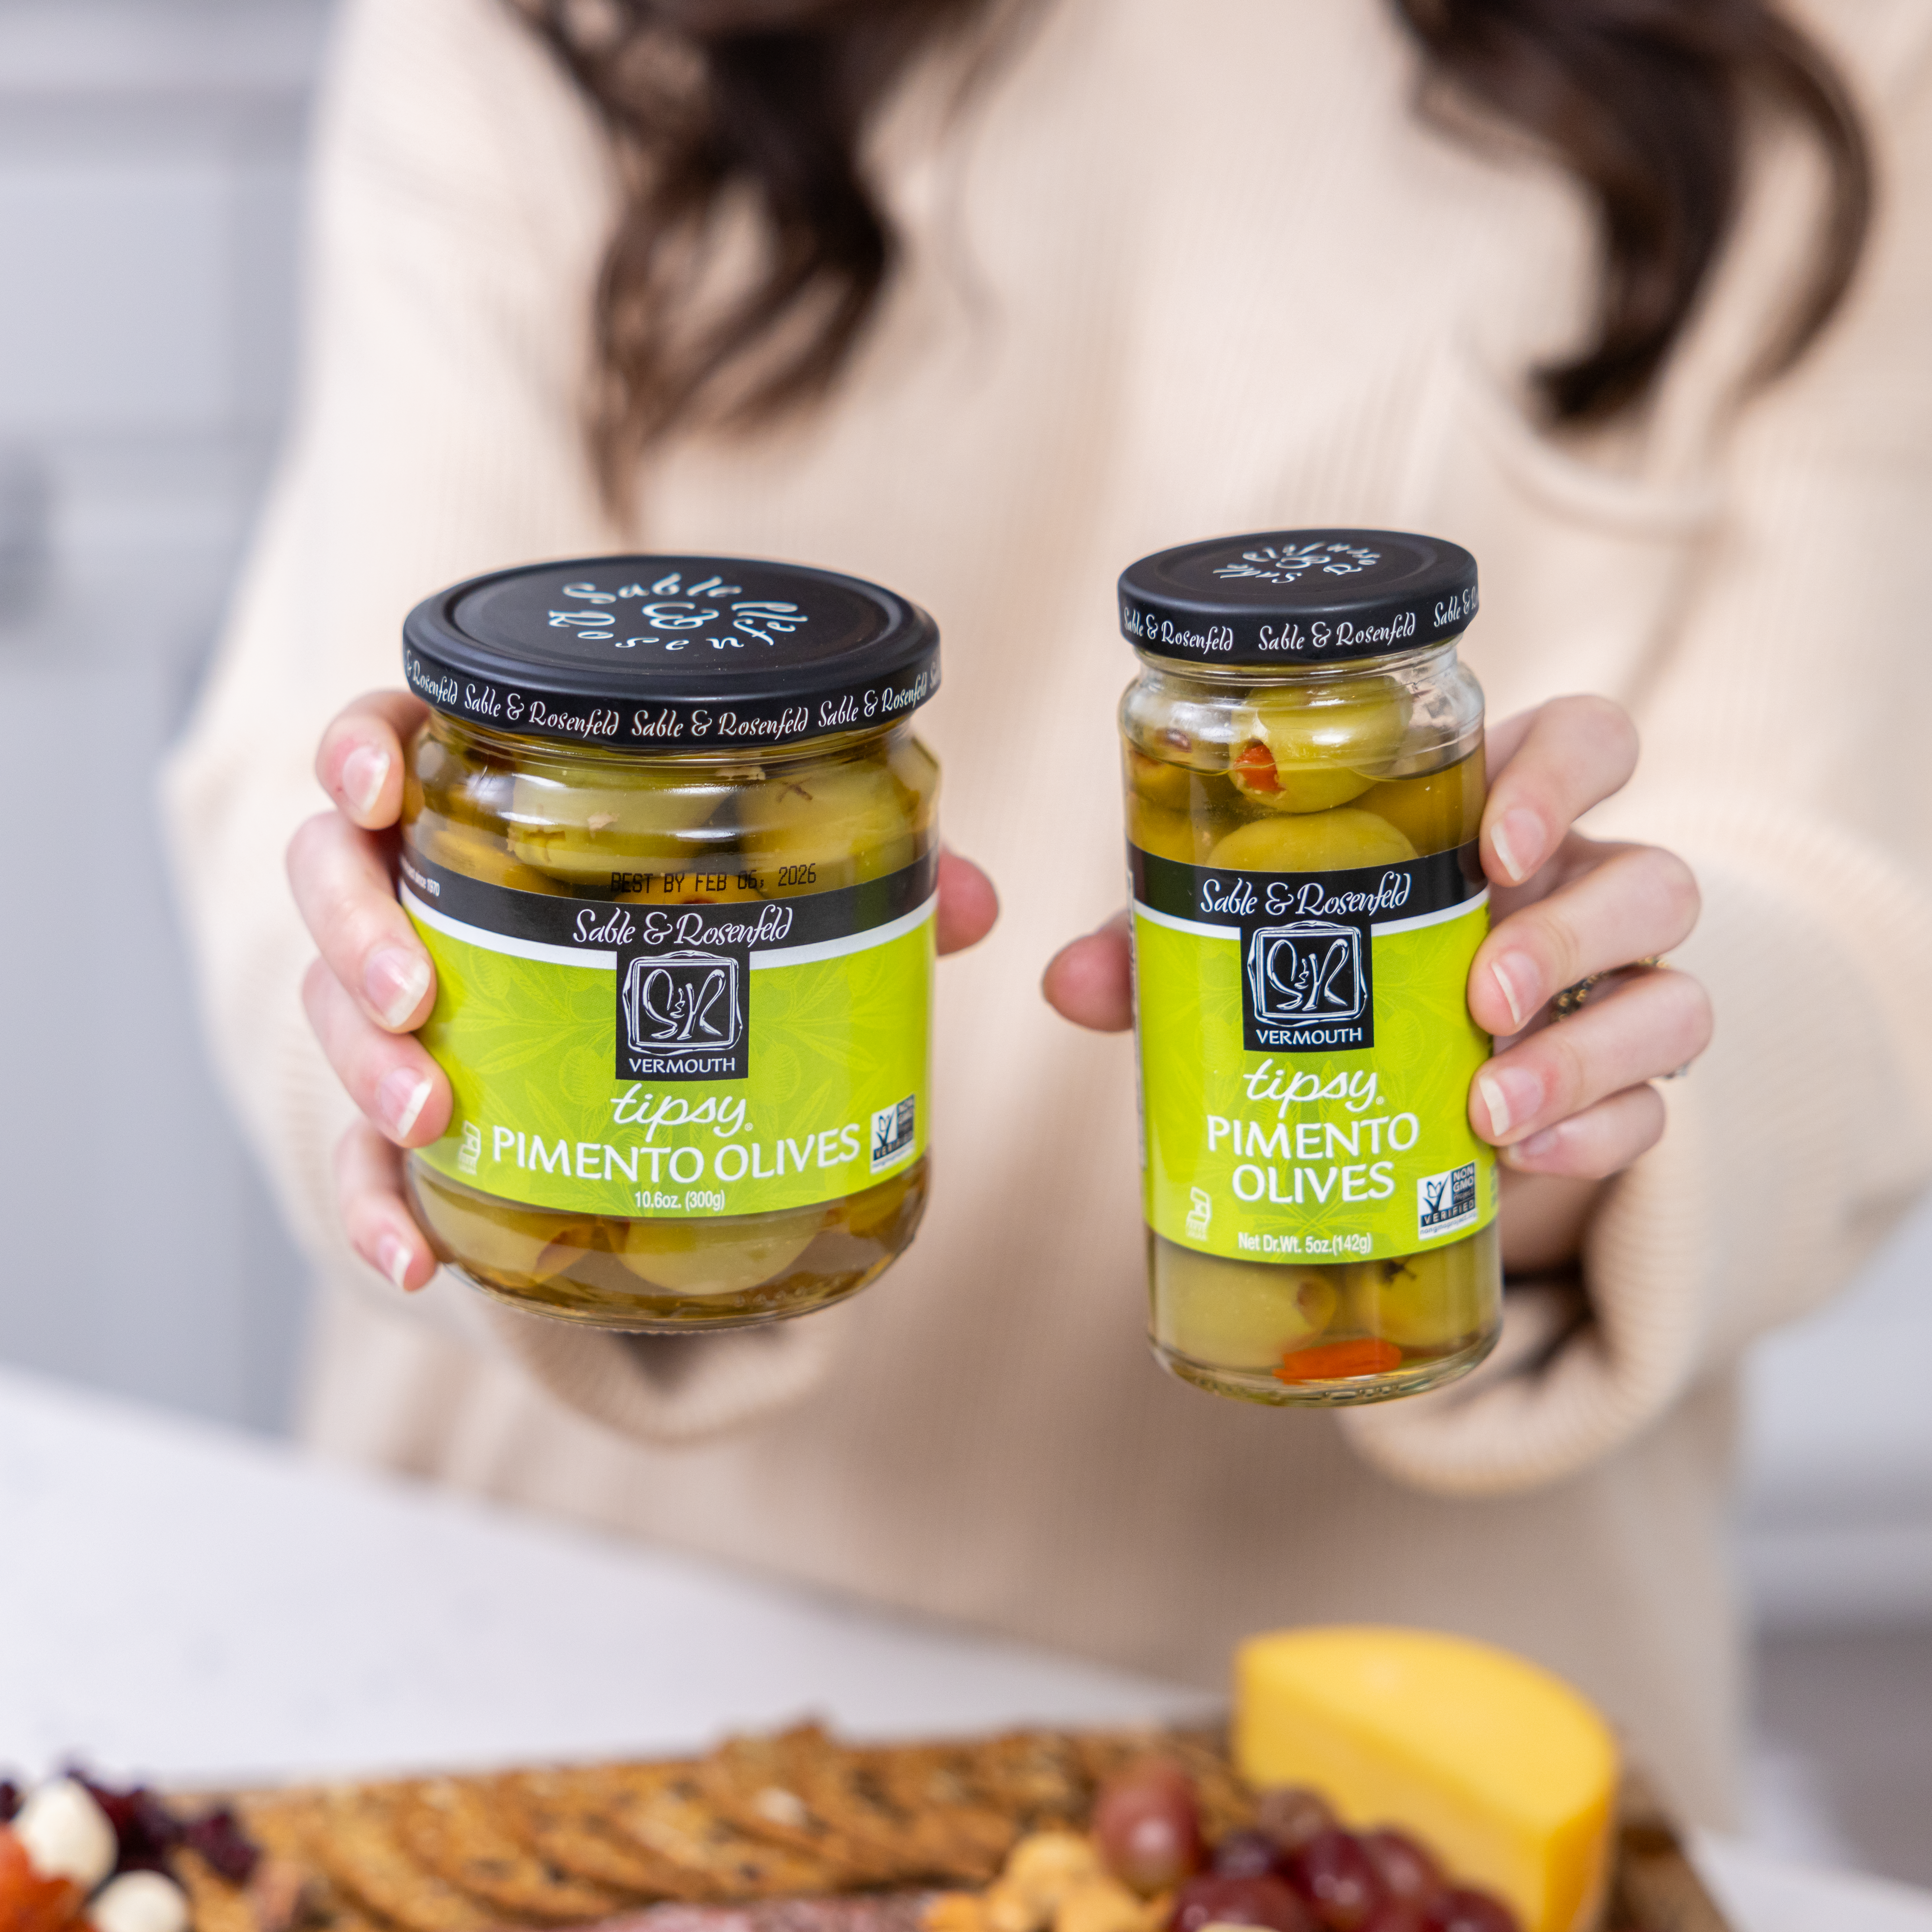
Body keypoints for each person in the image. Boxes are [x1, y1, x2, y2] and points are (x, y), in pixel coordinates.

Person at [162, 0, 1932, 1825]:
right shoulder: (531, 34)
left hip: (1396, 1759)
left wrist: (1558, 1105)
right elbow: (345, 753)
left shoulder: (1830, 49)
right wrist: (391, 1029)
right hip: (588, 1676)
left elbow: (1853, 903)